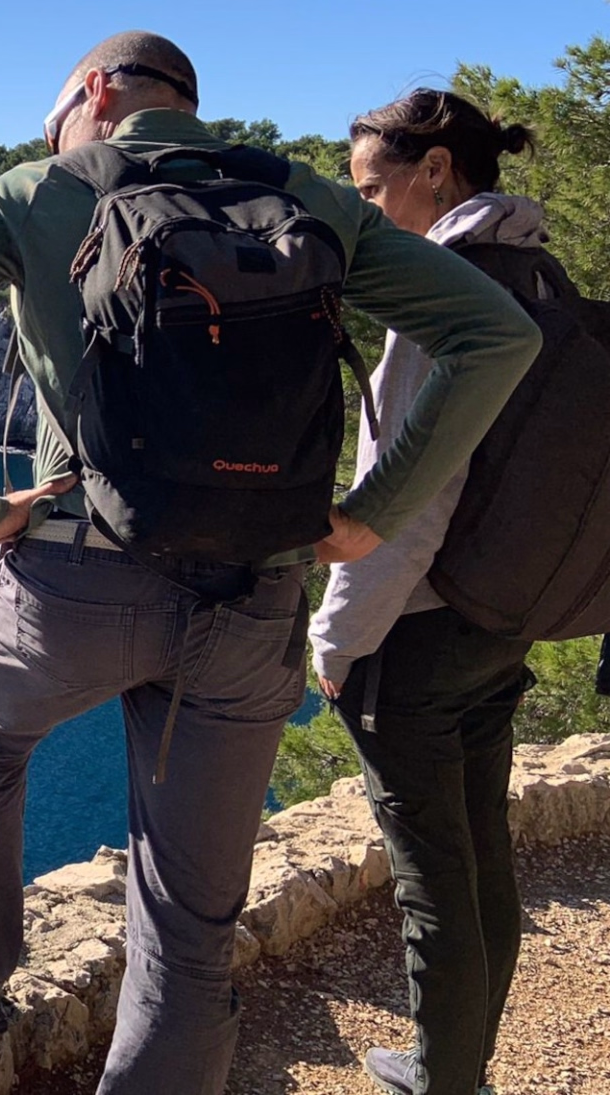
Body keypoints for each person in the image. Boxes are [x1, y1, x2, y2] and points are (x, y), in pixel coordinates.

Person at [0, 32, 543, 1094]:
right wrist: (371, 514)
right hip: (254, 597)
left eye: (56, 116)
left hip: (73, 584)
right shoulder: (305, 199)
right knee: (188, 913)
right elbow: (495, 333)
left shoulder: (38, 189)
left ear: (93, 92)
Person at [310, 89, 545, 1095]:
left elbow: (402, 506)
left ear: (437, 170)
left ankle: (445, 1079)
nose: (363, 214)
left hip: (415, 635)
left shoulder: (439, 296)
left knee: (432, 886)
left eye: (372, 189)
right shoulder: (537, 274)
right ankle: (465, 1062)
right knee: (483, 858)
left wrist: (333, 644)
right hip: (504, 613)